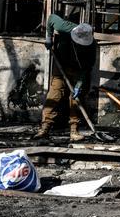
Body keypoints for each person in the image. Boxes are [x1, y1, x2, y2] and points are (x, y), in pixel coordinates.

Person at [34, 13, 96, 142]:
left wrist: (79, 85)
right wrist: (48, 38)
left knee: (76, 99)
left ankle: (74, 130)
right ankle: (45, 128)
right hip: (61, 64)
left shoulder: (91, 46)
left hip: (78, 71)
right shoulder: (65, 27)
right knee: (54, 94)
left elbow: (86, 69)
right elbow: (51, 18)